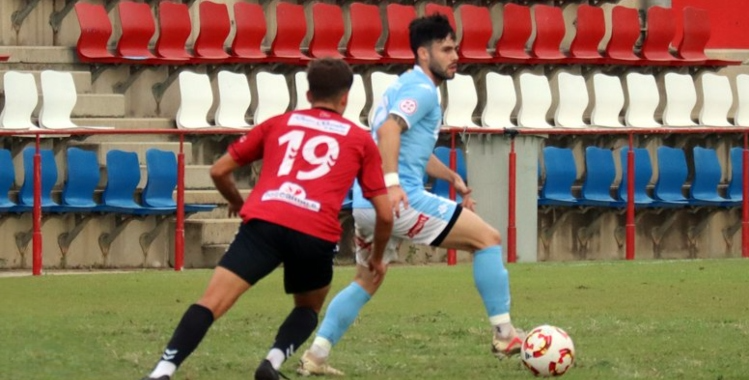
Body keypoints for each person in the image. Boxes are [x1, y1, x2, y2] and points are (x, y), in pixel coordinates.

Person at [297, 14, 524, 377]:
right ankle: (505, 335)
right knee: (489, 240)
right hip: (400, 199)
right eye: (446, 49)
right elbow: (389, 131)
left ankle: (316, 356)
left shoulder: (400, 87)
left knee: (367, 278)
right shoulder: (422, 91)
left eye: (455, 48)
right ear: (423, 53)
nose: (455, 56)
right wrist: (392, 182)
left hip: (365, 203)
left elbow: (409, 146)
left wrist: (451, 177)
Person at [140, 58, 394, 380]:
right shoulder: (360, 141)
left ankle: (163, 370)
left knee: (212, 302)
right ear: (345, 97)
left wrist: (237, 202)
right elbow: (385, 213)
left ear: (307, 92)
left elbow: (218, 170)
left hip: (265, 222)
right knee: (307, 308)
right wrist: (377, 257)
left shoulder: (279, 123)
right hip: (314, 233)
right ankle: (271, 363)